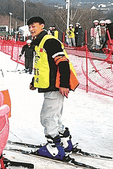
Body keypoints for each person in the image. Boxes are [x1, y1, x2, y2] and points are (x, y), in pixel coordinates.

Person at [27, 16, 79, 160]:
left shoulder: (49, 41)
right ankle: (64, 141)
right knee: (54, 116)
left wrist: (64, 84)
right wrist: (34, 81)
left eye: (34, 26)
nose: (31, 29)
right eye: (30, 27)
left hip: (55, 86)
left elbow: (63, 62)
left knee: (48, 117)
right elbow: (42, 65)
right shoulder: (40, 43)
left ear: (42, 26)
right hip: (49, 85)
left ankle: (54, 147)